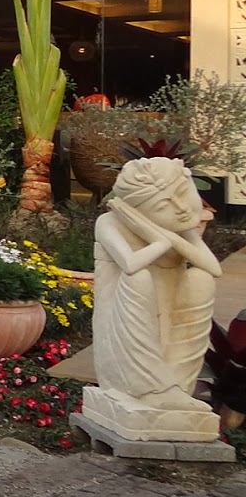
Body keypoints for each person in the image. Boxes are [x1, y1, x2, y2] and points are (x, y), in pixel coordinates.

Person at [90, 157, 221, 421]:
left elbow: (213, 268)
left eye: (183, 194)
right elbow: (130, 264)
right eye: (163, 205)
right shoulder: (109, 223)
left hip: (169, 312)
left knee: (202, 279)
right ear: (137, 210)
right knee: (139, 277)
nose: (181, 208)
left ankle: (177, 387)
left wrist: (171, 237)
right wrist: (159, 241)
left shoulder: (179, 228)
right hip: (123, 317)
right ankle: (148, 386)